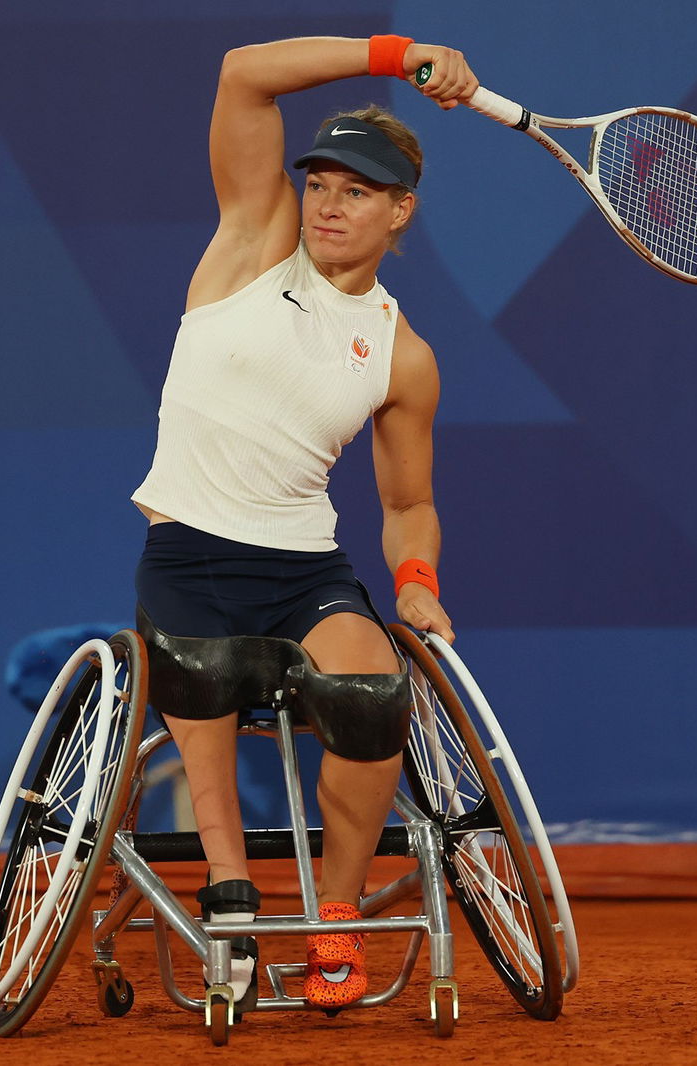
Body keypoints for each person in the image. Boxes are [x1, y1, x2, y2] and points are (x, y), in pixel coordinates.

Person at [129, 34, 477, 1012]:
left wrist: (417, 584)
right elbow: (241, 70)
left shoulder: (402, 355)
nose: (327, 203)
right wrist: (394, 52)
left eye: (356, 190)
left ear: (399, 209)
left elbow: (407, 504)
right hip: (190, 554)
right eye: (318, 181)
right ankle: (231, 892)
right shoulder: (251, 242)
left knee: (371, 692)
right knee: (199, 675)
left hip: (303, 571)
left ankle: (335, 918)